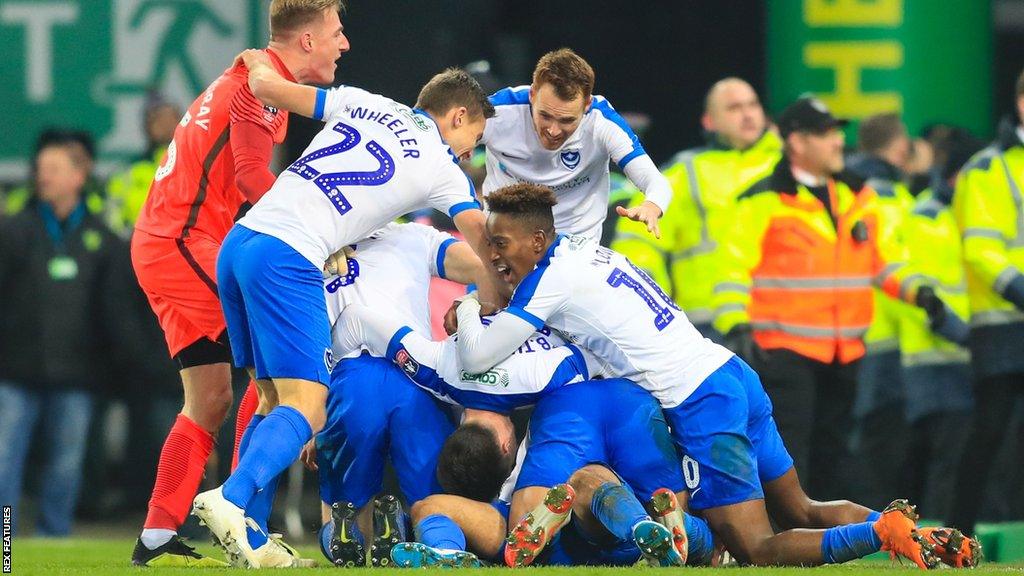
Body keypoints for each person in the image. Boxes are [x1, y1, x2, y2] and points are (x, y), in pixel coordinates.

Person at [445, 182, 977, 568]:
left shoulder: (548, 282)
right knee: (800, 507)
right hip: (729, 372)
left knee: (756, 550)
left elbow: (475, 357)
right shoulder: (588, 254)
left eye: (500, 244)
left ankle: (883, 533)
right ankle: (922, 535)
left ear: (537, 242)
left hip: (701, 401)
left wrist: (468, 305)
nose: (491, 256)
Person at [191, 57, 501, 567]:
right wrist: (520, 284)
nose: (472, 151)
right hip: (290, 253)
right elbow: (483, 242)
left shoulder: (369, 103)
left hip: (241, 242)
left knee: (269, 398)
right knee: (307, 404)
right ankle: (230, 497)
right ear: (459, 115)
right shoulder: (440, 164)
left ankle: (249, 537)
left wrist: (251, 61)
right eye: (476, 137)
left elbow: (270, 86)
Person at [129, 0, 350, 566]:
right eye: (336, 31)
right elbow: (253, 175)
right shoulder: (258, 88)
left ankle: (155, 535)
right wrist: (318, 229)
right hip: (184, 242)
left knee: (209, 398)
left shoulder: (254, 78)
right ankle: (242, 522)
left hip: (168, 242)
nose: (344, 44)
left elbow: (244, 173)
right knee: (272, 368)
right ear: (306, 42)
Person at [710, 97, 964, 502]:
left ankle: (820, 545)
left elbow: (883, 262)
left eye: (836, 132)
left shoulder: (856, 195)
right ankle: (780, 541)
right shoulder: (762, 199)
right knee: (789, 457)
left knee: (831, 455)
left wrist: (921, 293)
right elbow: (731, 271)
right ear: (797, 141)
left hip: (845, 352)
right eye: (826, 133)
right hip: (784, 349)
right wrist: (735, 326)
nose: (837, 142)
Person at [335, 307, 712, 568]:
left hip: (523, 530)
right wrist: (474, 307)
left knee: (430, 507)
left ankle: (446, 548)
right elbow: (596, 350)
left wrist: (321, 399)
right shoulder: (538, 375)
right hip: (581, 521)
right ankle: (664, 528)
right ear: (506, 445)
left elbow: (357, 320)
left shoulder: (437, 370)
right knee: (587, 481)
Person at [311, 222, 486, 567]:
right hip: (415, 372)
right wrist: (473, 301)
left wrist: (309, 412)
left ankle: (339, 536)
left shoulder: (311, 243)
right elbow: (486, 265)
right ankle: (407, 531)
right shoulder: (415, 236)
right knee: (435, 502)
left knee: (345, 504)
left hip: (350, 374)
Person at [0, 134, 138, 537]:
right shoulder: (14, 231)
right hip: (15, 372)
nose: (44, 177)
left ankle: (53, 541)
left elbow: (114, 314)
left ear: (80, 175)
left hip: (78, 376)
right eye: (41, 169)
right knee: (5, 460)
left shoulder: (104, 239)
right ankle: (3, 544)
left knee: (66, 464)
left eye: (54, 169)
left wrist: (120, 369)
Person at [613, 77, 782, 339]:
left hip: (783, 321)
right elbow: (639, 240)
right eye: (734, 108)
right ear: (709, 121)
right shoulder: (686, 171)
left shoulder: (786, 167)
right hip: (705, 324)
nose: (747, 114)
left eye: (752, 105)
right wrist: (651, 307)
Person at [481, 48, 672, 242]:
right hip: (504, 239)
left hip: (575, 245)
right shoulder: (496, 112)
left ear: (587, 104)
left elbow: (657, 182)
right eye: (545, 116)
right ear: (532, 94)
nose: (553, 130)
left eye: (566, 120)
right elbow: (449, 143)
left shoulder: (602, 123)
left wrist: (652, 205)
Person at [948, 69, 1024, 535]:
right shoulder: (987, 168)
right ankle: (957, 533)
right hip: (1003, 324)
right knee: (989, 435)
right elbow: (979, 248)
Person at [899, 132, 982, 519]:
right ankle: (938, 544)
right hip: (938, 361)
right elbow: (927, 296)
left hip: (967, 357)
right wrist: (971, 336)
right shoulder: (929, 217)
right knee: (943, 461)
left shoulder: (961, 214)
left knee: (964, 459)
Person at [844, 112, 918, 509]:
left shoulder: (851, 188)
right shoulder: (885, 195)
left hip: (855, 330)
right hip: (883, 332)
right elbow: (889, 262)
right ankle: (873, 527)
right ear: (899, 146)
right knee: (875, 442)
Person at [105, 93, 182, 236]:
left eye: (169, 117)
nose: (164, 124)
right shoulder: (129, 171)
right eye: (156, 118)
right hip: (139, 248)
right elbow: (113, 216)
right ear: (146, 125)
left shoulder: (195, 165)